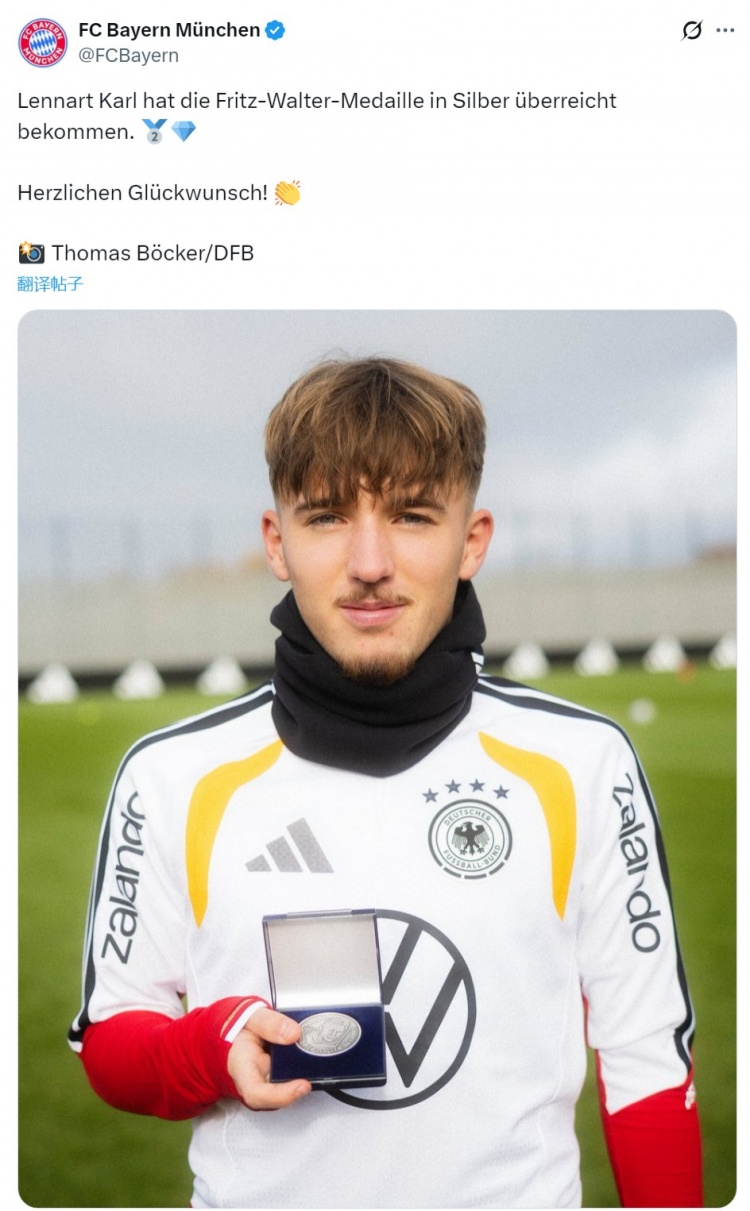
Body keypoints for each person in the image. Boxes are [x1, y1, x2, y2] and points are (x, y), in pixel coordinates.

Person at [69, 357, 703, 1208]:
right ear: (276, 541)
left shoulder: (582, 763)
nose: (370, 561)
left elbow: (647, 1062)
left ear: (472, 540)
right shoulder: (172, 777)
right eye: (328, 516)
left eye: (411, 515)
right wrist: (212, 1045)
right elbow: (112, 1037)